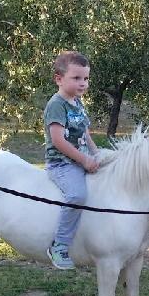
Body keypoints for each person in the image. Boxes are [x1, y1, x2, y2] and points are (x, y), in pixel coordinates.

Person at [43, 51, 100, 270]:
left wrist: (97, 156)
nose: (83, 83)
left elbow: (85, 135)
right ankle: (59, 245)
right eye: (76, 78)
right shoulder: (57, 104)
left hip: (80, 160)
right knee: (77, 195)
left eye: (86, 79)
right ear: (59, 79)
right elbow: (58, 141)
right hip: (62, 164)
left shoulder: (77, 103)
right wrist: (84, 161)